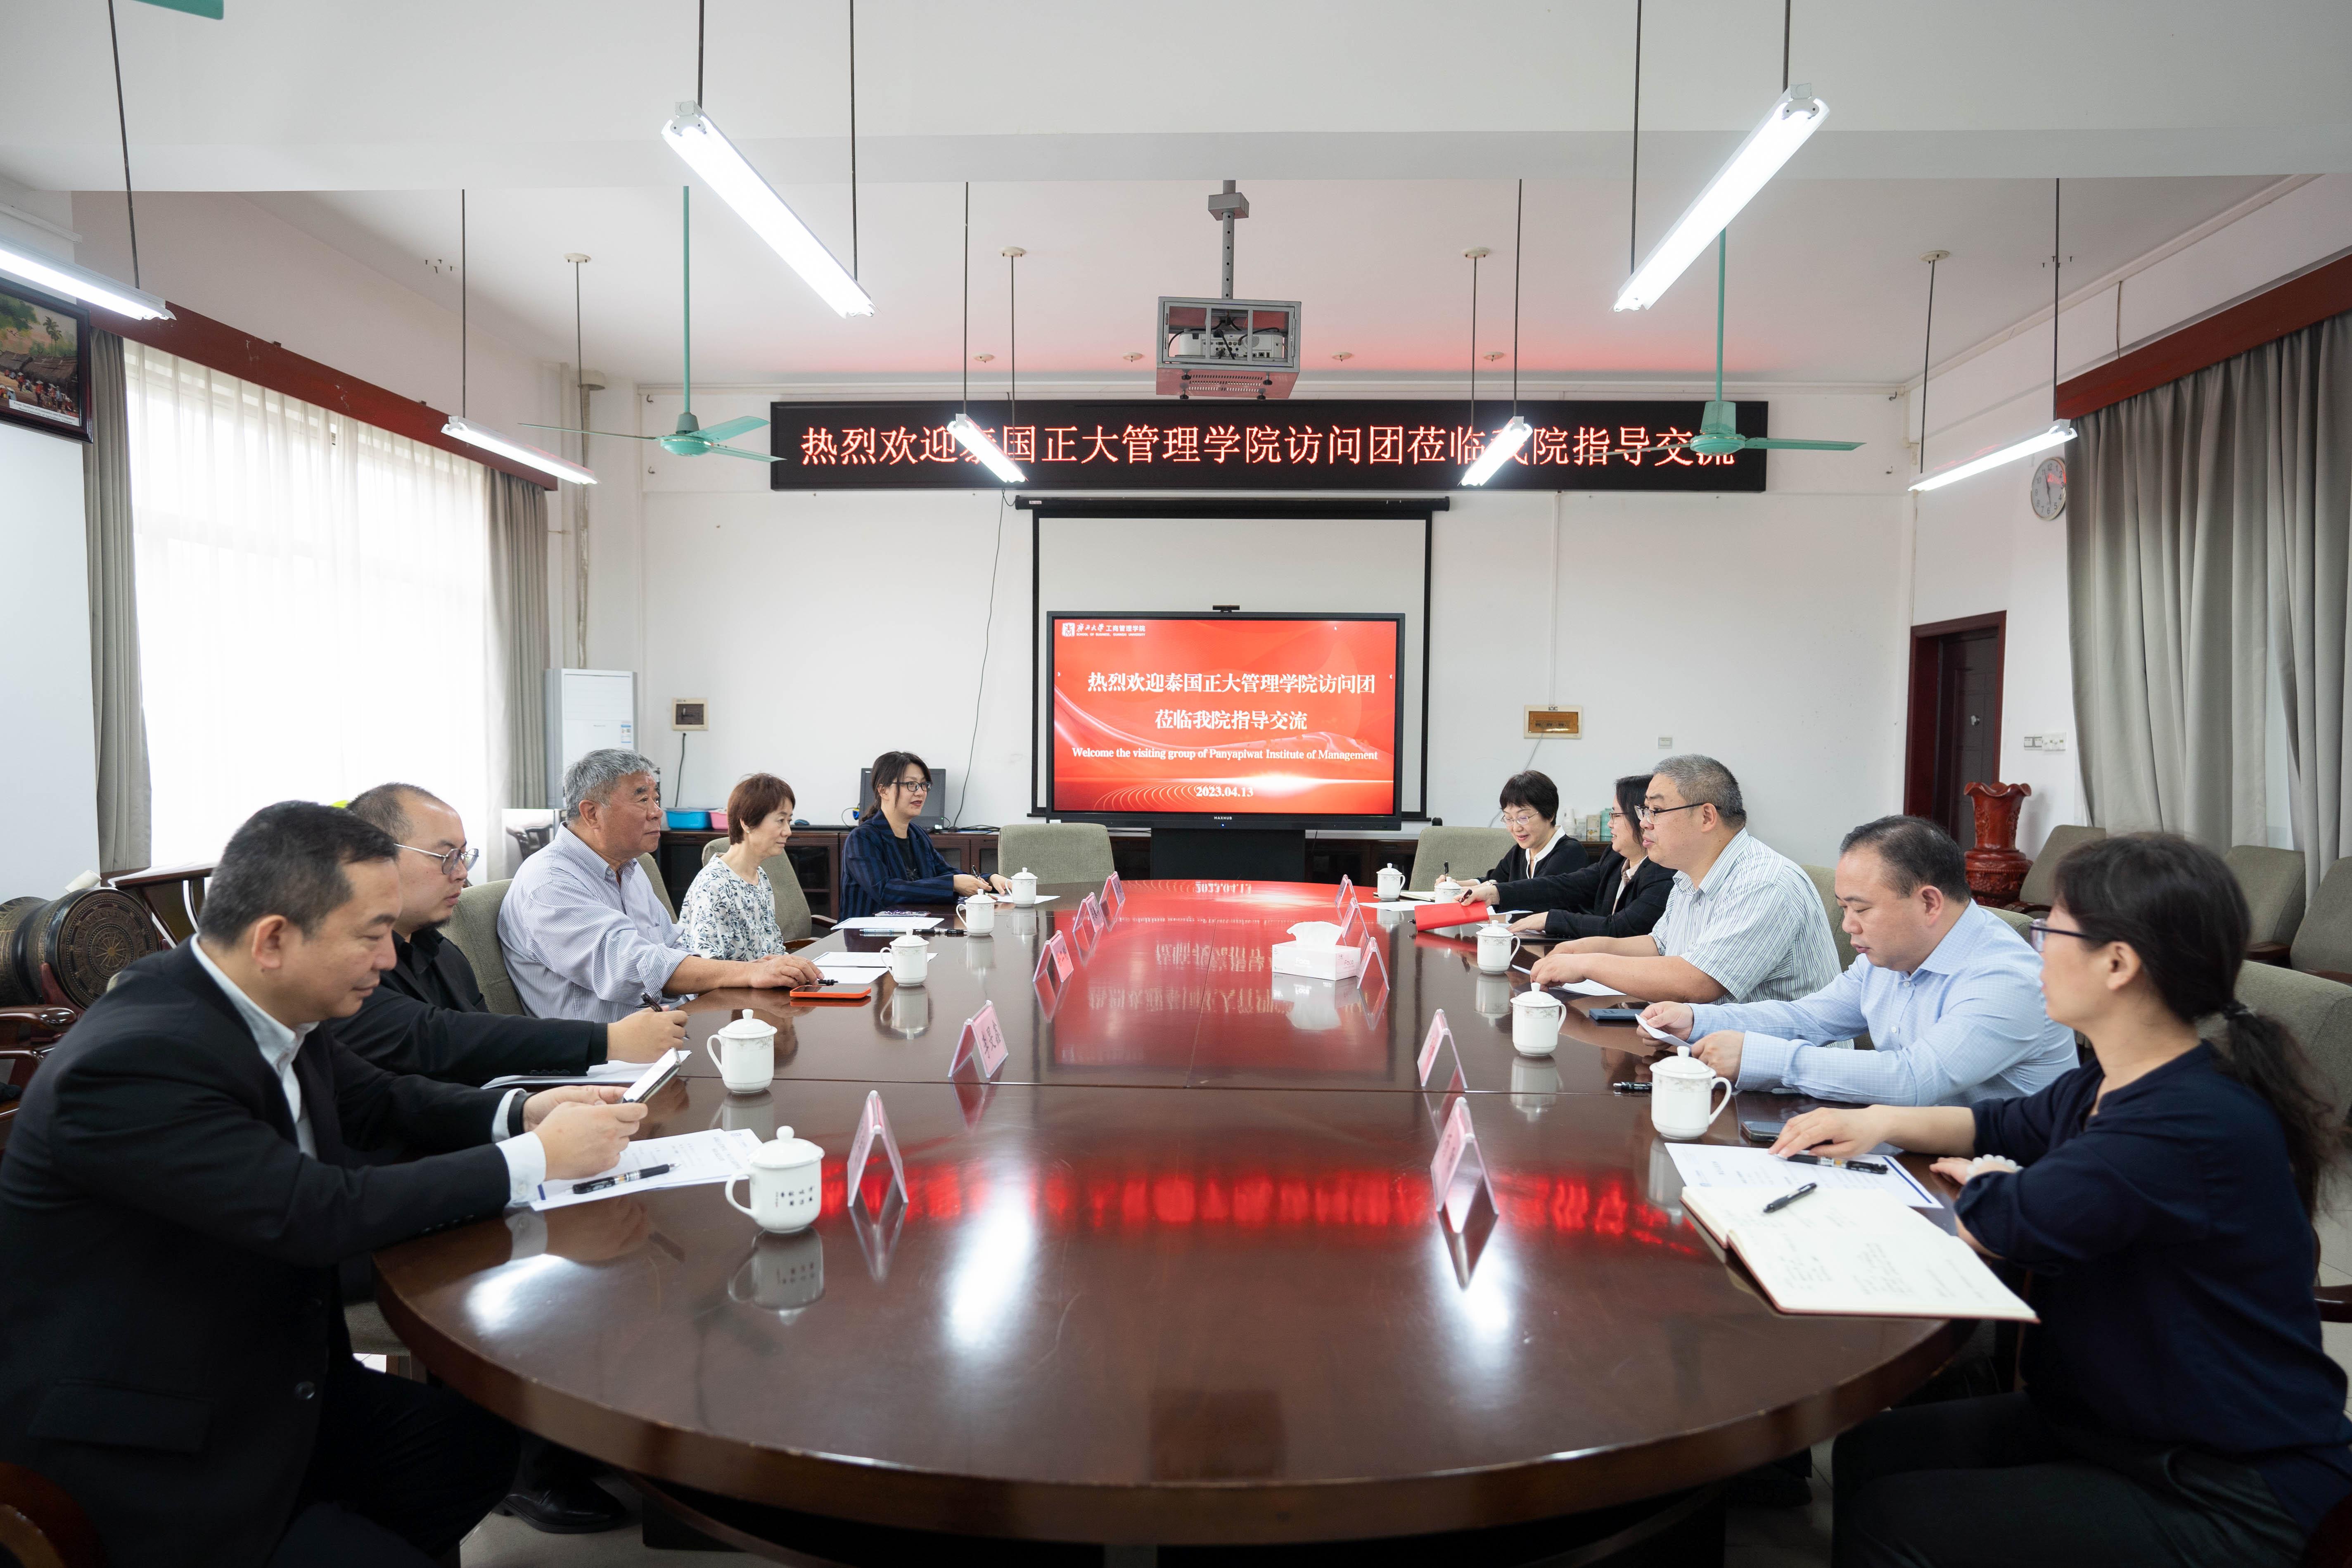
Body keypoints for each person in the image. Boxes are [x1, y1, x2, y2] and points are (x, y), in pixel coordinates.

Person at [0, 802, 650, 1567]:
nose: (389, 957)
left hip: (270, 1380)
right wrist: (535, 1159)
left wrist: (522, 1111)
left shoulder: (266, 1003)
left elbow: (381, 1099)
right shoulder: (134, 1059)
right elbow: (310, 1211)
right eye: (371, 934)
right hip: (153, 1446)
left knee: (474, 1445)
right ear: (274, 938)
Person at [1777, 834, 2351, 1568]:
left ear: (2118, 963)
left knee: (1899, 1518)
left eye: (2052, 932)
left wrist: (1991, 1179)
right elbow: (1997, 1125)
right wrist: (1878, 1122)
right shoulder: (2109, 1079)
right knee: (1874, 1449)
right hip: (2111, 1420)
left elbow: (2001, 1216)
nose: (2036, 949)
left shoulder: (2182, 1121)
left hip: (2222, 1481)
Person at [1640, 815, 2078, 1105]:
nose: (1848, 925)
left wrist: (1759, 1057)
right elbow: (1809, 1018)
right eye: (1843, 908)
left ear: (1929, 902)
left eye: (1861, 908)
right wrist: (1696, 1020)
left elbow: (1914, 1079)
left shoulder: (2005, 976)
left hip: (1994, 1177)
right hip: (1904, 1143)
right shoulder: (1889, 955)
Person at [338, 783, 685, 1084]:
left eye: (463, 855)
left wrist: (523, 1110)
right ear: (375, 859)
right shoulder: (348, 966)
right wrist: (608, 1040)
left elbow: (484, 1049)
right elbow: (440, 1037)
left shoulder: (440, 951)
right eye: (445, 856)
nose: (461, 873)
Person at [500, 749, 819, 1021]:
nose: (657, 812)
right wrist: (746, 973)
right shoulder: (549, 882)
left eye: (656, 799)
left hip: (666, 1028)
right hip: (606, 1057)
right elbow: (633, 967)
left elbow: (673, 944)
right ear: (592, 813)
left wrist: (755, 968)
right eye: (643, 800)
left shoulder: (630, 868)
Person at [1529, 754, 1838, 1003]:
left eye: (1656, 810)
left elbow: (1698, 982)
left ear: (1706, 817)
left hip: (1780, 1059)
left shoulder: (1764, 882)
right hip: (1709, 1044)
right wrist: (1585, 948)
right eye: (1644, 811)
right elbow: (1659, 945)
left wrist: (1588, 965)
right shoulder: (1687, 877)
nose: (1644, 823)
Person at [1502, 773, 1674, 940]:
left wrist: (1549, 920)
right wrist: (1497, 893)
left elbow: (1621, 929)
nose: (1610, 824)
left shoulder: (1663, 871)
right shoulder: (1615, 858)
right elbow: (1566, 885)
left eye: (1616, 815)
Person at [840, 750, 1008, 921]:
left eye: (923, 785)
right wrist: (952, 884)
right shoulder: (863, 838)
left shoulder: (917, 835)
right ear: (884, 791)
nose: (920, 792)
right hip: (867, 933)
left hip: (913, 928)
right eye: (911, 784)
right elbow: (885, 891)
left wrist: (989, 879)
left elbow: (946, 872)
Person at [680, 771, 797, 961]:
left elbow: (774, 947)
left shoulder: (759, 876)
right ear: (747, 823)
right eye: (781, 821)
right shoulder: (714, 885)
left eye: (789, 821)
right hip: (736, 983)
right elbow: (708, 966)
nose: (788, 831)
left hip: (765, 979)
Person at [1463, 771, 1586, 906]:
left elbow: (1537, 896)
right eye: (1509, 819)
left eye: (1523, 818)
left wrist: (1493, 891)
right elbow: (1493, 880)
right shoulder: (1521, 850)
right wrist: (1454, 885)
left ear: (1550, 814)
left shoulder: (1571, 852)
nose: (1516, 828)